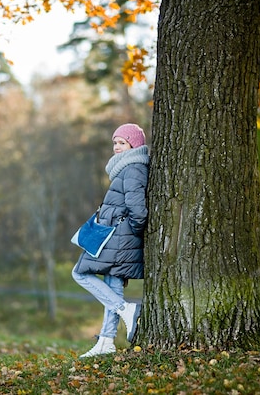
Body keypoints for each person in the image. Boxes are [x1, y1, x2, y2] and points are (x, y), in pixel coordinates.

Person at [72, 122, 150, 358]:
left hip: (118, 236)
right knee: (113, 285)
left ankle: (126, 309)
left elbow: (138, 210)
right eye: (114, 142)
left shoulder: (134, 168)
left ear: (133, 145)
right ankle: (106, 341)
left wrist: (129, 231)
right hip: (116, 236)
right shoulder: (125, 167)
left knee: (79, 273)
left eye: (122, 142)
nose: (116, 147)